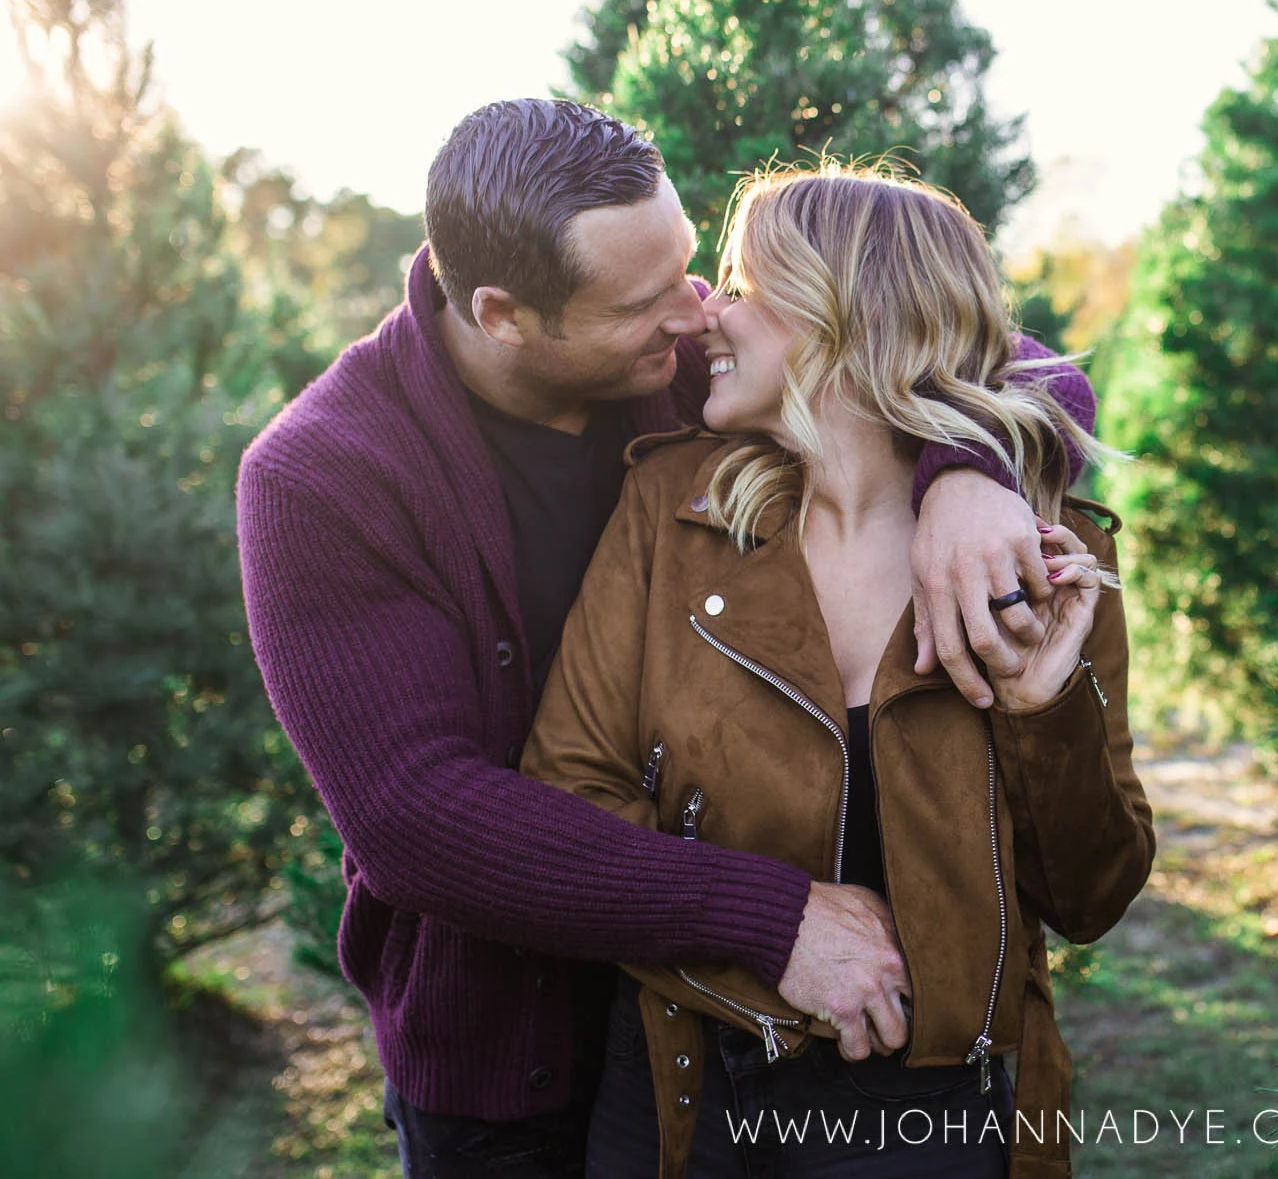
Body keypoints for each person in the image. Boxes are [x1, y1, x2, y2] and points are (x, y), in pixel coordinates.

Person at [236, 100, 1098, 1178]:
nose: (695, 313)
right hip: (511, 1064)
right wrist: (765, 914)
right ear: (505, 314)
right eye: (644, 302)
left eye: (694, 268)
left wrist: (973, 474)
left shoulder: (705, 372)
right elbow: (415, 817)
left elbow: (985, 353)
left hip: (720, 1041)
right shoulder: (325, 478)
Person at [520, 163, 1155, 1179]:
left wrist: (1045, 713)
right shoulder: (671, 514)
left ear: (841, 315)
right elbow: (570, 792)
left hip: (930, 1121)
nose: (704, 316)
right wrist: (772, 944)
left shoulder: (1037, 552)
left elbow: (1089, 899)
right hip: (680, 1095)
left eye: (739, 284)